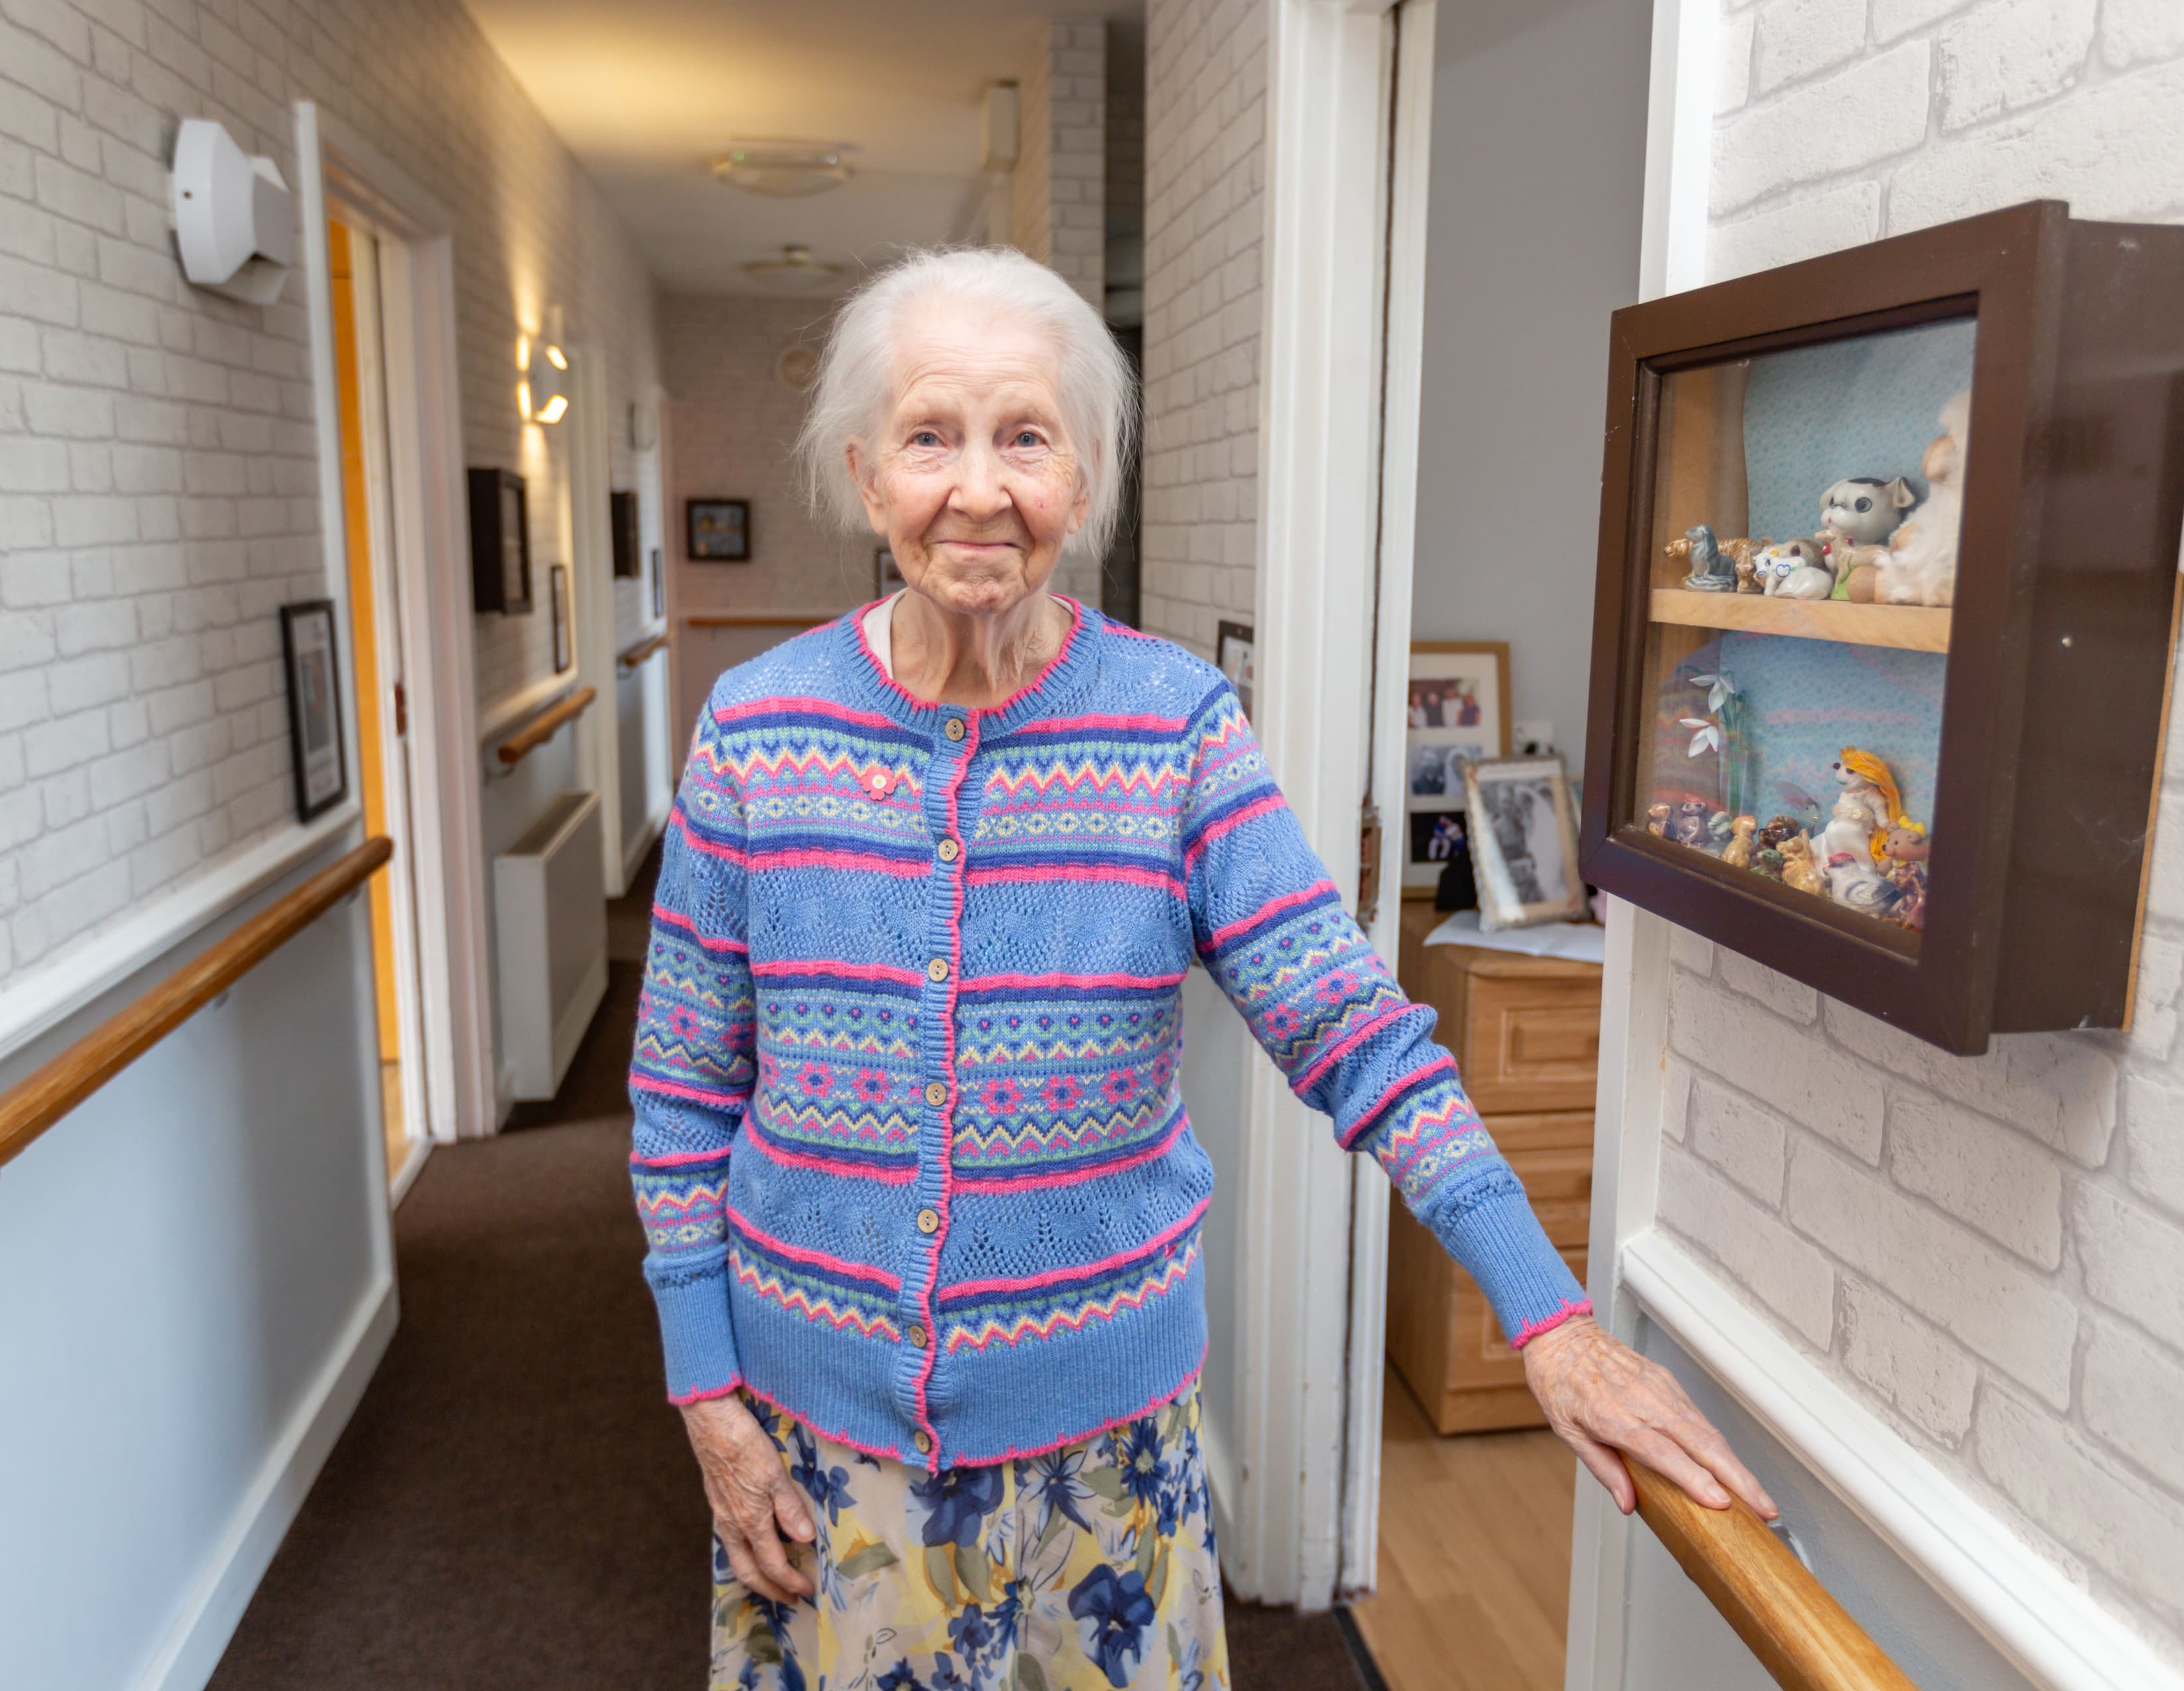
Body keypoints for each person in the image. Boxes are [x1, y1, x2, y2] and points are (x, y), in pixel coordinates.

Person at [628, 248, 1770, 1691]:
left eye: (1027, 437)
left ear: (1086, 481)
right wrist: (708, 1399)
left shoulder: (1174, 731)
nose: (978, 488)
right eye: (932, 436)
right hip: (819, 1435)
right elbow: (679, 1099)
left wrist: (1549, 1317)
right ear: (866, 475)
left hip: (1107, 1452)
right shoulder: (753, 731)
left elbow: (1358, 1031)